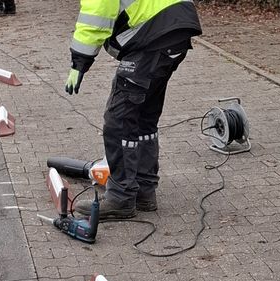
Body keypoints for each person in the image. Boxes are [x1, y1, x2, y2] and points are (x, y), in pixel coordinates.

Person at [67, 0, 201, 219]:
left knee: (118, 120)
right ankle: (144, 192)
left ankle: (121, 197)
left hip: (153, 35)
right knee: (144, 116)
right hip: (175, 29)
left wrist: (79, 61)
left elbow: (97, 12)